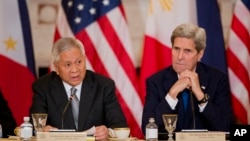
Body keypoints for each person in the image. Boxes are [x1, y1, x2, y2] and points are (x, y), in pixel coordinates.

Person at [141, 23, 234, 134]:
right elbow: (147, 130)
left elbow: (227, 128)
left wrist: (200, 95)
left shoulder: (217, 80)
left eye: (187, 51)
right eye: (176, 49)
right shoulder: (156, 82)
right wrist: (172, 94)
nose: (179, 57)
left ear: (200, 54)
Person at [30, 37, 128, 140]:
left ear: (85, 60)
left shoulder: (103, 86)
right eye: (68, 65)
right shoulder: (43, 87)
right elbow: (34, 126)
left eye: (79, 62)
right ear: (56, 68)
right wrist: (42, 131)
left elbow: (120, 126)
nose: (75, 70)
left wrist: (108, 132)